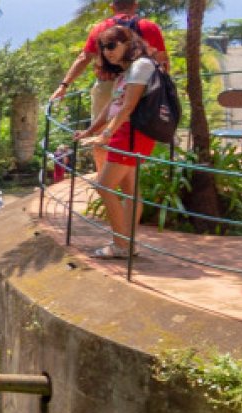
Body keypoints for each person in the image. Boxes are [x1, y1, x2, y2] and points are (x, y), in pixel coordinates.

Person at [75, 25, 161, 260]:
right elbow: (110, 107)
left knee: (103, 186)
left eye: (112, 45)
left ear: (128, 44)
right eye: (103, 47)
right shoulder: (125, 73)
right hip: (124, 132)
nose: (107, 51)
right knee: (130, 191)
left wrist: (105, 135)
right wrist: (90, 131)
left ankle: (122, 244)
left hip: (132, 134)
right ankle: (126, 242)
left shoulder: (141, 66)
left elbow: (128, 106)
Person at [51, 0, 171, 118]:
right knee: (138, 131)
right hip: (140, 87)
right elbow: (162, 60)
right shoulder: (149, 27)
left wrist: (63, 86)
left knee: (101, 132)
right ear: (135, 6)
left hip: (108, 85)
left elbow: (83, 58)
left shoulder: (101, 28)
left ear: (112, 7)